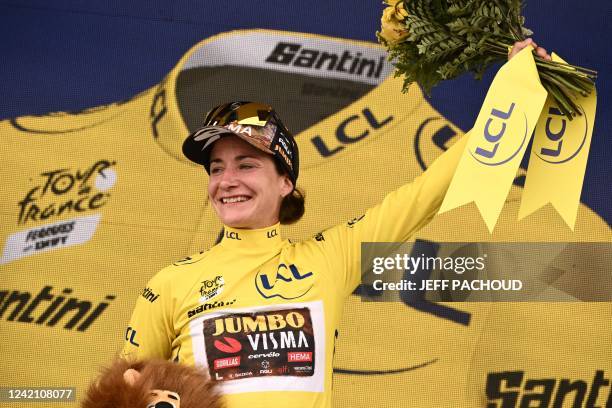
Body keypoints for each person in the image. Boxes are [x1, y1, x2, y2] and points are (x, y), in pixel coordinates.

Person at [121, 40, 551, 408]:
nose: (226, 181)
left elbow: (429, 190)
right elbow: (121, 392)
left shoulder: (329, 257)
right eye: (216, 169)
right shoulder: (171, 283)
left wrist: (519, 93)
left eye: (246, 164)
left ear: (285, 180)